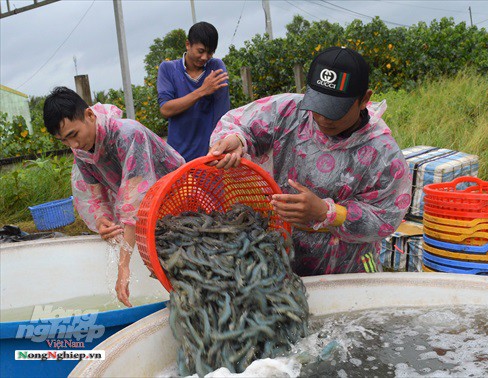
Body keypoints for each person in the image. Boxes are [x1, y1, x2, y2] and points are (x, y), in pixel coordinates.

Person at [208, 47, 412, 276]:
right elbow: (240, 123)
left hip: (348, 270)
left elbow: (385, 219)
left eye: (335, 110)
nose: (323, 118)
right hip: (281, 257)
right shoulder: (289, 111)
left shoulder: (383, 155)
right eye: (318, 105)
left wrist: (327, 213)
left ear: (364, 99)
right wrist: (237, 140)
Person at [43, 87, 185, 307]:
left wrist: (124, 266)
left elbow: (133, 200)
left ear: (90, 115)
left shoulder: (128, 134)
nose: (73, 145)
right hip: (150, 211)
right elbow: (94, 197)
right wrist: (101, 220)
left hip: (181, 198)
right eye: (64, 140)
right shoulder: (82, 153)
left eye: (73, 135)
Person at [157, 21, 230, 162]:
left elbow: (222, 114)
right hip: (177, 158)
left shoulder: (216, 67)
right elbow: (166, 109)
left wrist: (216, 149)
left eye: (210, 52)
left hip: (210, 156)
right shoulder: (168, 69)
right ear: (188, 45)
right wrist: (202, 91)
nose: (204, 57)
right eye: (201, 51)